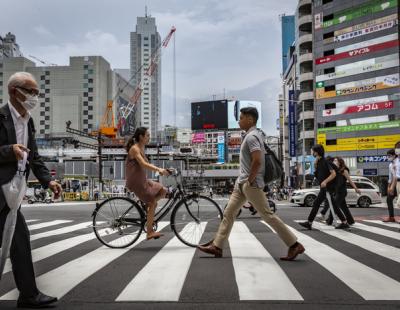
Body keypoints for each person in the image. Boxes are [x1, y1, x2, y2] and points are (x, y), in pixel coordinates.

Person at [198, 107, 305, 261]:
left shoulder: (252, 137)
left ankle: (294, 245)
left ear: (250, 119)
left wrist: (250, 179)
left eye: (241, 117)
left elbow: (257, 160)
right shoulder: (250, 135)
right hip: (241, 183)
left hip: (250, 183)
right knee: (229, 212)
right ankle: (217, 246)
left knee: (267, 215)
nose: (239, 120)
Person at [0, 72, 62, 308]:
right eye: (30, 91)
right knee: (19, 241)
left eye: (36, 92)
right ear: (13, 91)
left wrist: (49, 181)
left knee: (19, 241)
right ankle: (28, 295)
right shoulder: (1, 116)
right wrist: (8, 150)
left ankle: (28, 295)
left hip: (10, 195)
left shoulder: (29, 121)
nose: (35, 97)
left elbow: (34, 157)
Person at [125, 127, 170, 240]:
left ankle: (148, 209)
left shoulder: (141, 147)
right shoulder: (135, 149)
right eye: (148, 135)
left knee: (163, 190)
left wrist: (164, 170)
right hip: (136, 182)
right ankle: (149, 232)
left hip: (143, 180)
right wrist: (158, 169)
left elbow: (146, 164)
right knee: (153, 203)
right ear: (141, 137)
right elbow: (143, 164)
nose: (149, 137)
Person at [298, 145, 350, 230]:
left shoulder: (326, 161)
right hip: (325, 187)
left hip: (328, 187)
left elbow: (333, 174)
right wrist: (315, 163)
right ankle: (344, 222)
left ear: (317, 152)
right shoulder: (319, 162)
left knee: (317, 203)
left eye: (313, 151)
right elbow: (318, 173)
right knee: (333, 205)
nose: (312, 153)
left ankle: (309, 222)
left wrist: (325, 181)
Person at [325, 157, 358, 225]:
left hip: (342, 192)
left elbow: (350, 180)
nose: (334, 161)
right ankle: (351, 221)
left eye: (336, 160)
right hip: (337, 191)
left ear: (340, 162)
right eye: (334, 160)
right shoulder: (336, 170)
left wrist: (356, 188)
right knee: (344, 207)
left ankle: (330, 220)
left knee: (334, 206)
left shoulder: (344, 170)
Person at [383, 149, 398, 222]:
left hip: (398, 182)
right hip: (394, 183)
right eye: (387, 156)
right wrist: (388, 187)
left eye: (389, 156)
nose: (388, 157)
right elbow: (390, 177)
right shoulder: (390, 165)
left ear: (394, 155)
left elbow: (397, 176)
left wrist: (392, 187)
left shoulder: (398, 163)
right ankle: (391, 217)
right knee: (389, 199)